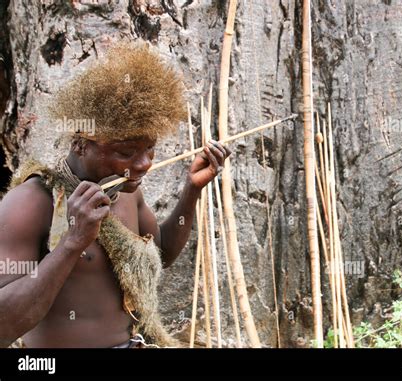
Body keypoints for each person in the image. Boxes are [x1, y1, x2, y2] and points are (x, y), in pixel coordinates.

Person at [0, 43, 231, 348]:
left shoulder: (126, 194)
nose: (145, 164)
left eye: (149, 149)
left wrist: (192, 190)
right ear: (82, 144)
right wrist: (73, 242)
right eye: (126, 152)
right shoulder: (30, 203)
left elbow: (160, 255)